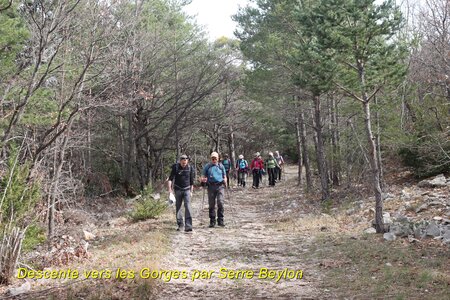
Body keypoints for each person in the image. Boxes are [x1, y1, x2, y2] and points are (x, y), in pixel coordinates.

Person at [167, 154, 195, 232]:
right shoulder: (175, 167)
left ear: (187, 161)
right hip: (178, 189)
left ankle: (188, 226)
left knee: (188, 207)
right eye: (183, 162)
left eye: (185, 162)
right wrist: (170, 190)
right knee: (178, 207)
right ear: (180, 161)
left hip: (187, 190)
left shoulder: (190, 168)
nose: (184, 163)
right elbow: (170, 179)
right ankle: (180, 225)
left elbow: (192, 182)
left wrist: (191, 192)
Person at [201, 152, 227, 228]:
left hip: (220, 186)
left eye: (215, 158)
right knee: (211, 204)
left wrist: (225, 180)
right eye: (212, 158)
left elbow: (225, 176)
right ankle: (212, 221)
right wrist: (203, 180)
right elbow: (203, 176)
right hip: (211, 186)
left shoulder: (221, 166)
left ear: (218, 158)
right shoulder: (207, 166)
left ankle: (220, 220)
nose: (214, 159)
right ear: (211, 158)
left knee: (220, 202)